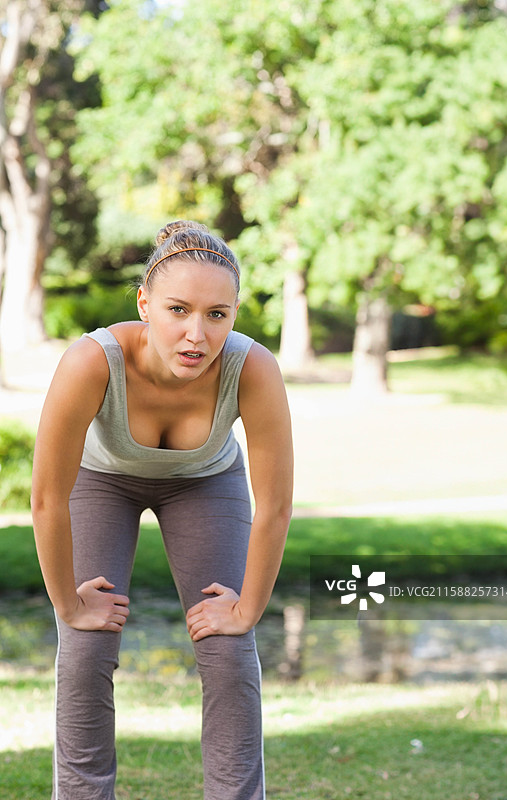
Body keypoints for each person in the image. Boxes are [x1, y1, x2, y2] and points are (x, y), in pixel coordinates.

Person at [31, 220, 294, 800]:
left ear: (234, 313)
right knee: (86, 645)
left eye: (217, 314)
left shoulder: (252, 369)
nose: (196, 334)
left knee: (227, 649)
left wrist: (247, 609)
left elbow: (274, 507)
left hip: (206, 483)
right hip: (102, 482)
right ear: (146, 304)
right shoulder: (91, 361)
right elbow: (48, 497)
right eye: (178, 309)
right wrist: (67, 605)